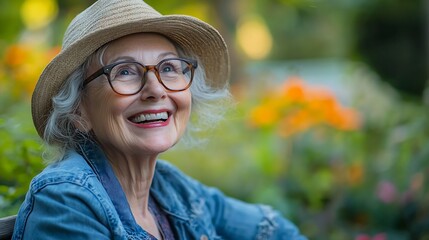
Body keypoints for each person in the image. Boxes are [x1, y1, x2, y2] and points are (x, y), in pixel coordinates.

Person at [12, 0, 307, 239]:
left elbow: (275, 230)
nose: (156, 89)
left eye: (168, 68)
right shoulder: (65, 201)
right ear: (78, 111)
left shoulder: (172, 189)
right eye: (124, 71)